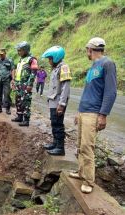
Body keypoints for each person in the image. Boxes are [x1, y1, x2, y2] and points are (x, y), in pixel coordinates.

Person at [69, 37, 117, 194]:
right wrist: (79, 112)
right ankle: (81, 172)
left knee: (87, 147)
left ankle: (89, 181)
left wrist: (103, 115)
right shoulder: (92, 67)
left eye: (86, 50)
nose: (86, 53)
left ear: (90, 49)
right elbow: (88, 92)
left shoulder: (107, 64)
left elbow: (111, 91)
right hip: (85, 111)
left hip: (94, 112)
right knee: (80, 145)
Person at [42, 46, 71, 156]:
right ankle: (55, 143)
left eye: (50, 59)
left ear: (55, 57)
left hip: (59, 101)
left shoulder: (64, 67)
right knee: (54, 123)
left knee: (58, 124)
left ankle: (60, 147)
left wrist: (62, 104)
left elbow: (66, 87)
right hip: (53, 100)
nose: (49, 61)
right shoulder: (56, 68)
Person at [11, 41, 38, 126]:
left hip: (26, 84)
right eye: (18, 50)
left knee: (26, 101)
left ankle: (26, 120)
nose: (18, 52)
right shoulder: (21, 59)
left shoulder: (32, 59)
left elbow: (34, 72)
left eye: (20, 50)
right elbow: (18, 72)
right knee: (18, 100)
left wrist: (30, 84)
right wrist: (14, 81)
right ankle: (19, 116)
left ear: (26, 50)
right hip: (19, 83)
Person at [0, 48, 15, 115]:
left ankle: (7, 109)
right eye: (0, 54)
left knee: (7, 94)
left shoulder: (9, 61)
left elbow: (13, 69)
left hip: (6, 80)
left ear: (5, 53)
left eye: (2, 54)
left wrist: (13, 79)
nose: (1, 55)